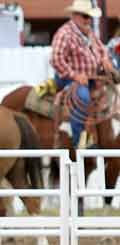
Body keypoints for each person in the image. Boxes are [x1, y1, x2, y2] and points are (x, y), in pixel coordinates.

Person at [51, 0, 114, 149]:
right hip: (67, 79)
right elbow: (56, 59)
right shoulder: (64, 34)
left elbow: (101, 50)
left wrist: (105, 60)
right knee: (82, 97)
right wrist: (75, 76)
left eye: (90, 17)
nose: (88, 20)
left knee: (110, 94)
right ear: (74, 15)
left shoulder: (90, 34)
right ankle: (80, 141)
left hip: (91, 78)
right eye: (85, 16)